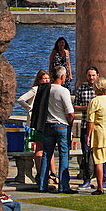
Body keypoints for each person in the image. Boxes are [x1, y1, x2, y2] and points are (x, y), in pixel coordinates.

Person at [36, 66, 75, 194]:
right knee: (64, 154)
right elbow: (70, 112)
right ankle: (64, 185)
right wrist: (70, 122)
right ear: (62, 76)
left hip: (48, 124)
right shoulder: (63, 91)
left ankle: (42, 184)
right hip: (61, 125)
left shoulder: (46, 89)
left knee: (47, 154)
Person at [17, 69, 52, 182]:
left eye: (47, 78)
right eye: (44, 78)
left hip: (46, 120)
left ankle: (50, 173)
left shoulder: (50, 90)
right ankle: (39, 173)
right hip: (35, 121)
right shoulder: (35, 90)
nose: (46, 80)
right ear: (39, 80)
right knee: (38, 147)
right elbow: (21, 99)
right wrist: (29, 108)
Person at [73, 65, 100, 190]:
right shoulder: (81, 89)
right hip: (85, 124)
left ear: (97, 76)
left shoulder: (101, 89)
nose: (91, 78)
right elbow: (75, 106)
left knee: (99, 153)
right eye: (89, 75)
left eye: (93, 75)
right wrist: (87, 108)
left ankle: (101, 179)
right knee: (86, 153)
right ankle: (87, 178)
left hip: (99, 126)